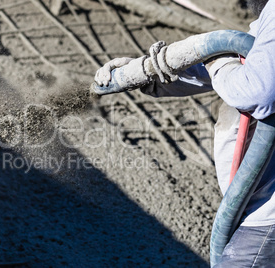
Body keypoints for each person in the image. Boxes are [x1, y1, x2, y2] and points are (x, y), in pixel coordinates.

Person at [94, 0, 275, 266]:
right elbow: (245, 58)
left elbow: (256, 90)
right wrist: (149, 75)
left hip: (267, 215)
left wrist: (217, 61)